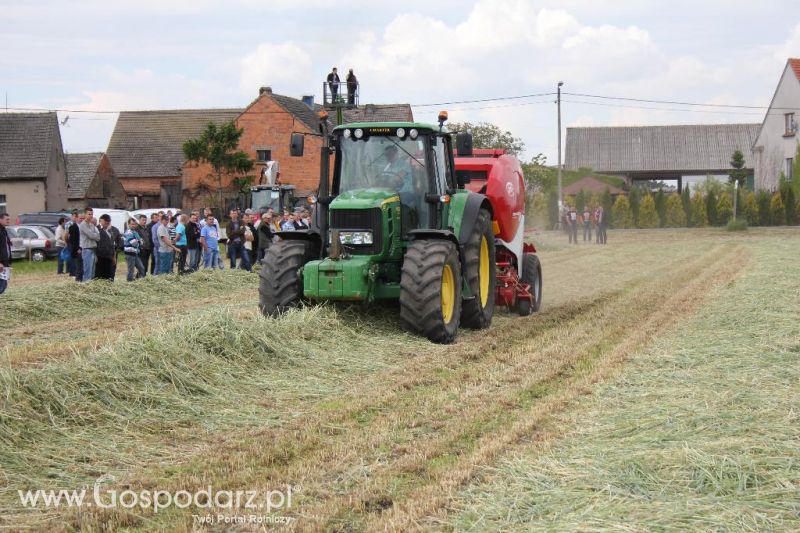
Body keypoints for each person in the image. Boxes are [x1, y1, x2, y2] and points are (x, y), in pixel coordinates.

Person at [79, 208, 100, 281]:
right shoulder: (82, 225)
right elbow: (91, 235)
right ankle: (86, 288)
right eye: (89, 214)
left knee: (92, 272)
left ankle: (90, 287)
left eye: (92, 214)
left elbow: (98, 237)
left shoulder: (91, 225)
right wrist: (94, 235)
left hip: (93, 249)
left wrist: (94, 235)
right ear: (85, 215)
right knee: (87, 271)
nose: (91, 216)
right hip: (87, 250)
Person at [94, 214, 116, 280]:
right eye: (105, 220)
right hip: (100, 256)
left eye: (108, 221)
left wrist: (113, 256)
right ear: (100, 220)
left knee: (108, 276)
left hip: (109, 257)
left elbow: (112, 245)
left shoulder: (110, 231)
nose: (107, 222)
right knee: (99, 276)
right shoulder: (96, 229)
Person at [67, 210, 83, 281]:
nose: (81, 220)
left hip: (84, 248)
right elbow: (73, 240)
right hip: (77, 249)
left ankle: (82, 279)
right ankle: (77, 279)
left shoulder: (84, 226)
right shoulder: (72, 227)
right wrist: (78, 249)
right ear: (76, 218)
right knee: (78, 266)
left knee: (83, 266)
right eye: (80, 218)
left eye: (83, 218)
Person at [0, 213, 12, 295]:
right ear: (0, 219)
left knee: (4, 283)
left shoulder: (4, 230)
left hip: (5, 261)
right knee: (2, 283)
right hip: (1, 263)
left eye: (8, 219)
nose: (8, 221)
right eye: (6, 219)